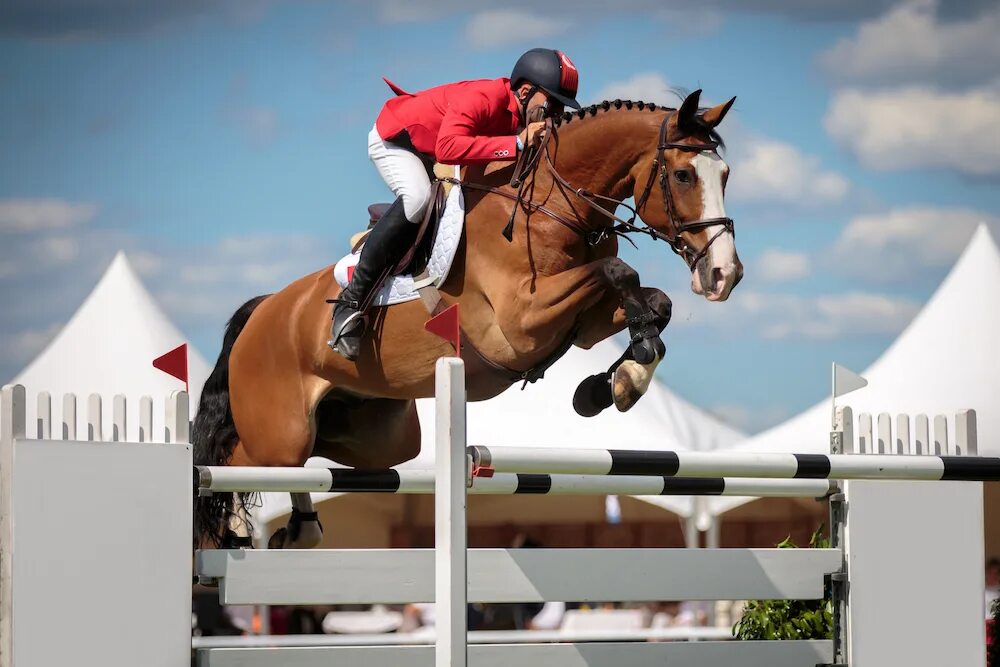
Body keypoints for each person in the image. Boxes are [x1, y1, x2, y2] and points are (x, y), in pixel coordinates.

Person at [329, 48, 582, 360]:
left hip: (432, 148)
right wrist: (517, 143)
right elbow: (447, 148)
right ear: (526, 91)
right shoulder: (483, 97)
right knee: (419, 197)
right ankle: (351, 302)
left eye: (561, 109)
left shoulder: (521, 114)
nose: (556, 115)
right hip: (395, 140)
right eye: (552, 104)